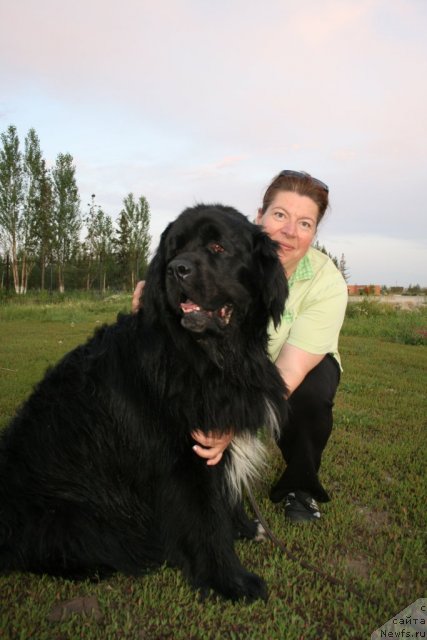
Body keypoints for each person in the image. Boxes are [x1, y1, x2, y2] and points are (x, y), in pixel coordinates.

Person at [133, 170, 348, 523]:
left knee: (312, 394)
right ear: (259, 215)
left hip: (290, 362)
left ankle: (300, 487)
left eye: (305, 223)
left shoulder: (327, 284)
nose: (290, 231)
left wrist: (232, 424)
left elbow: (289, 372)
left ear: (314, 232)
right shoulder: (229, 248)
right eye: (280, 215)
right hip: (229, 357)